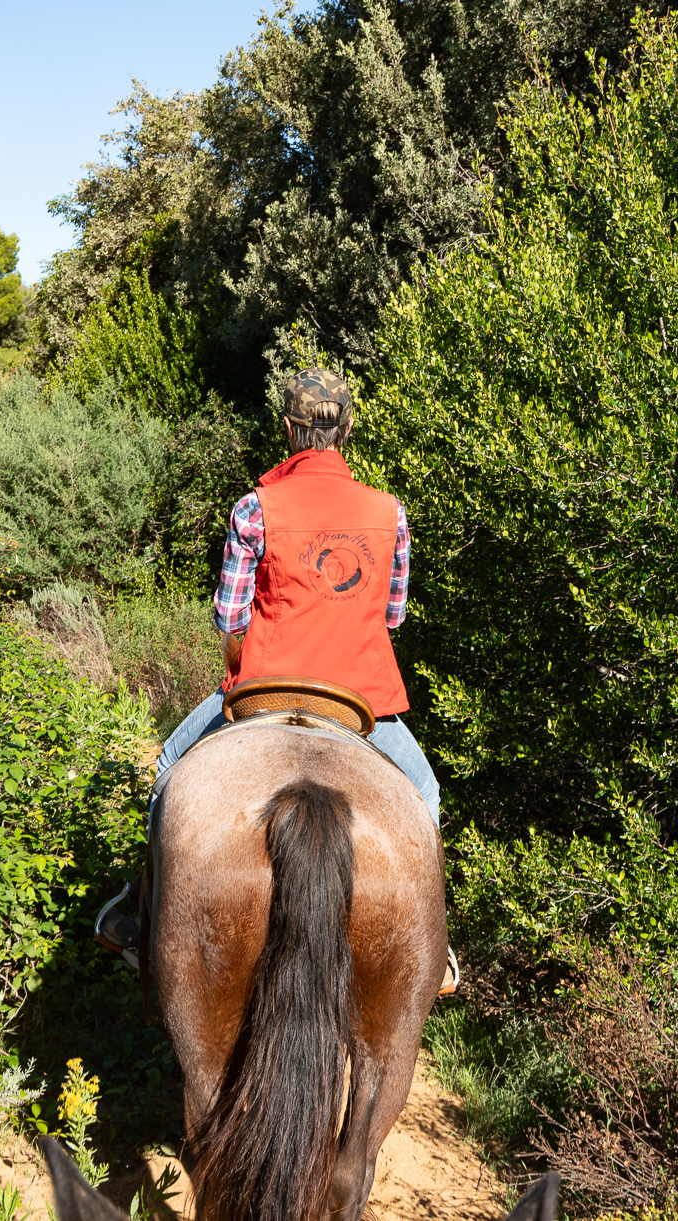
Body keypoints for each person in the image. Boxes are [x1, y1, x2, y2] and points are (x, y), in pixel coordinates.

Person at [96, 367, 454, 992]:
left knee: (167, 771)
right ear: (349, 427)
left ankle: (138, 912)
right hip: (360, 702)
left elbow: (229, 615)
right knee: (424, 801)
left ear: (287, 428)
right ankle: (436, 948)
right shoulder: (389, 512)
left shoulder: (254, 509)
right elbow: (392, 615)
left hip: (262, 692)